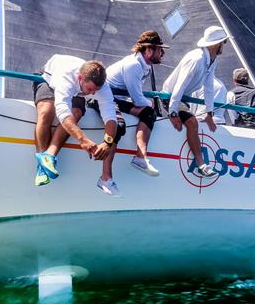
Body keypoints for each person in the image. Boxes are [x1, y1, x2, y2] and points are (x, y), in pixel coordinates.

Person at [33, 54, 123, 196]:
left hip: (76, 91)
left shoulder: (101, 86)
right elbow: (62, 112)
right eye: (90, 89)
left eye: (96, 90)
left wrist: (107, 142)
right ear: (80, 78)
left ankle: (49, 155)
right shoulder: (66, 77)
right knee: (46, 111)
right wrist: (83, 139)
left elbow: (110, 116)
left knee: (76, 113)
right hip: (48, 79)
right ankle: (41, 162)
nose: (93, 93)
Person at [161, 25, 229, 177]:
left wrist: (209, 113)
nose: (224, 46)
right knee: (192, 122)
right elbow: (180, 85)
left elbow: (209, 87)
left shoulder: (212, 60)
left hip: (183, 99)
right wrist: (173, 112)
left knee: (193, 122)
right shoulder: (196, 59)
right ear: (215, 44)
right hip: (170, 96)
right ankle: (202, 165)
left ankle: (201, 164)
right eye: (223, 42)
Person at [105, 30, 168, 177]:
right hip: (104, 99)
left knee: (148, 113)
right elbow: (138, 99)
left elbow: (136, 97)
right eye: (160, 49)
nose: (162, 53)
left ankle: (140, 157)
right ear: (149, 50)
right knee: (147, 112)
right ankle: (107, 175)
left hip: (117, 99)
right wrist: (151, 103)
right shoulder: (133, 65)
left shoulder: (144, 64)